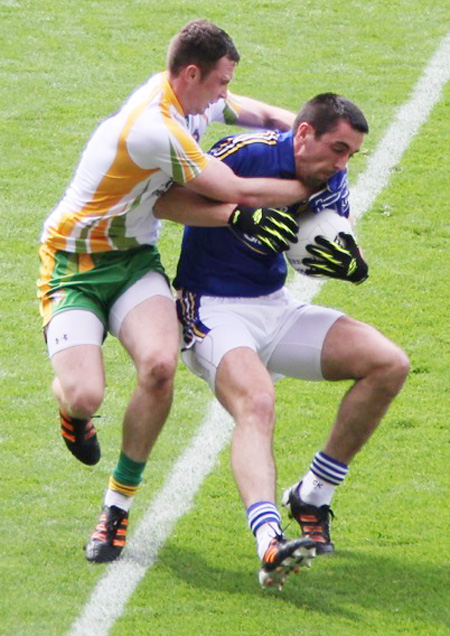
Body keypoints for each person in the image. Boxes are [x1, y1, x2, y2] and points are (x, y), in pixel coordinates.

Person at [37, 19, 311, 564]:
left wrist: (304, 130)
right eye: (220, 82)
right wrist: (317, 180)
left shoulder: (189, 99)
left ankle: (116, 507)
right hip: (72, 267)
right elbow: (232, 190)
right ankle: (72, 409)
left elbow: (249, 112)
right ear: (192, 74)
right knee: (86, 393)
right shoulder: (153, 128)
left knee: (160, 365)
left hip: (134, 260)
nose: (225, 93)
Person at [156, 93, 410, 589]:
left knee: (389, 363)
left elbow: (328, 237)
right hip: (210, 307)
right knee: (258, 401)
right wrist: (236, 213)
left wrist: (352, 265)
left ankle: (313, 494)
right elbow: (165, 201)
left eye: (350, 155)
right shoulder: (244, 153)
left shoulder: (329, 176)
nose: (342, 164)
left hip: (275, 305)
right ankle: (269, 541)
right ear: (303, 134)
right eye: (337, 149)